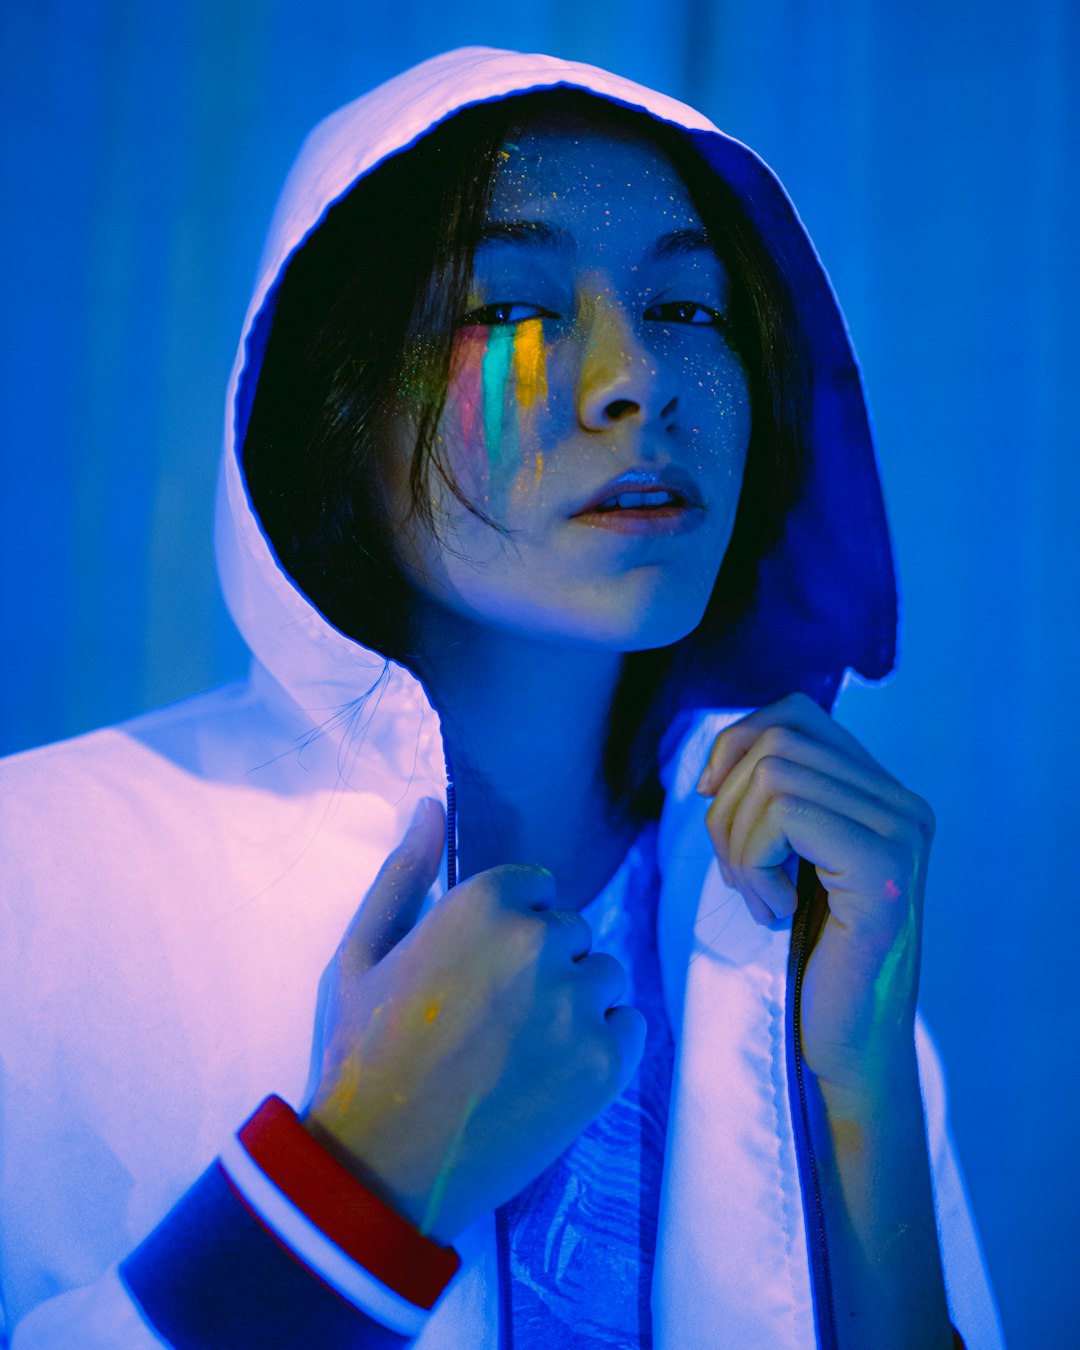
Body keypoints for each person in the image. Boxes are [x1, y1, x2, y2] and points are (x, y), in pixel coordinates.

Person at [0, 46, 1003, 1349]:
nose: (632, 378)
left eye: (690, 311)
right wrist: (355, 1183)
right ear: (335, 402)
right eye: (515, 307)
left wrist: (860, 1094)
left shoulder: (790, 925)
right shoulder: (44, 876)